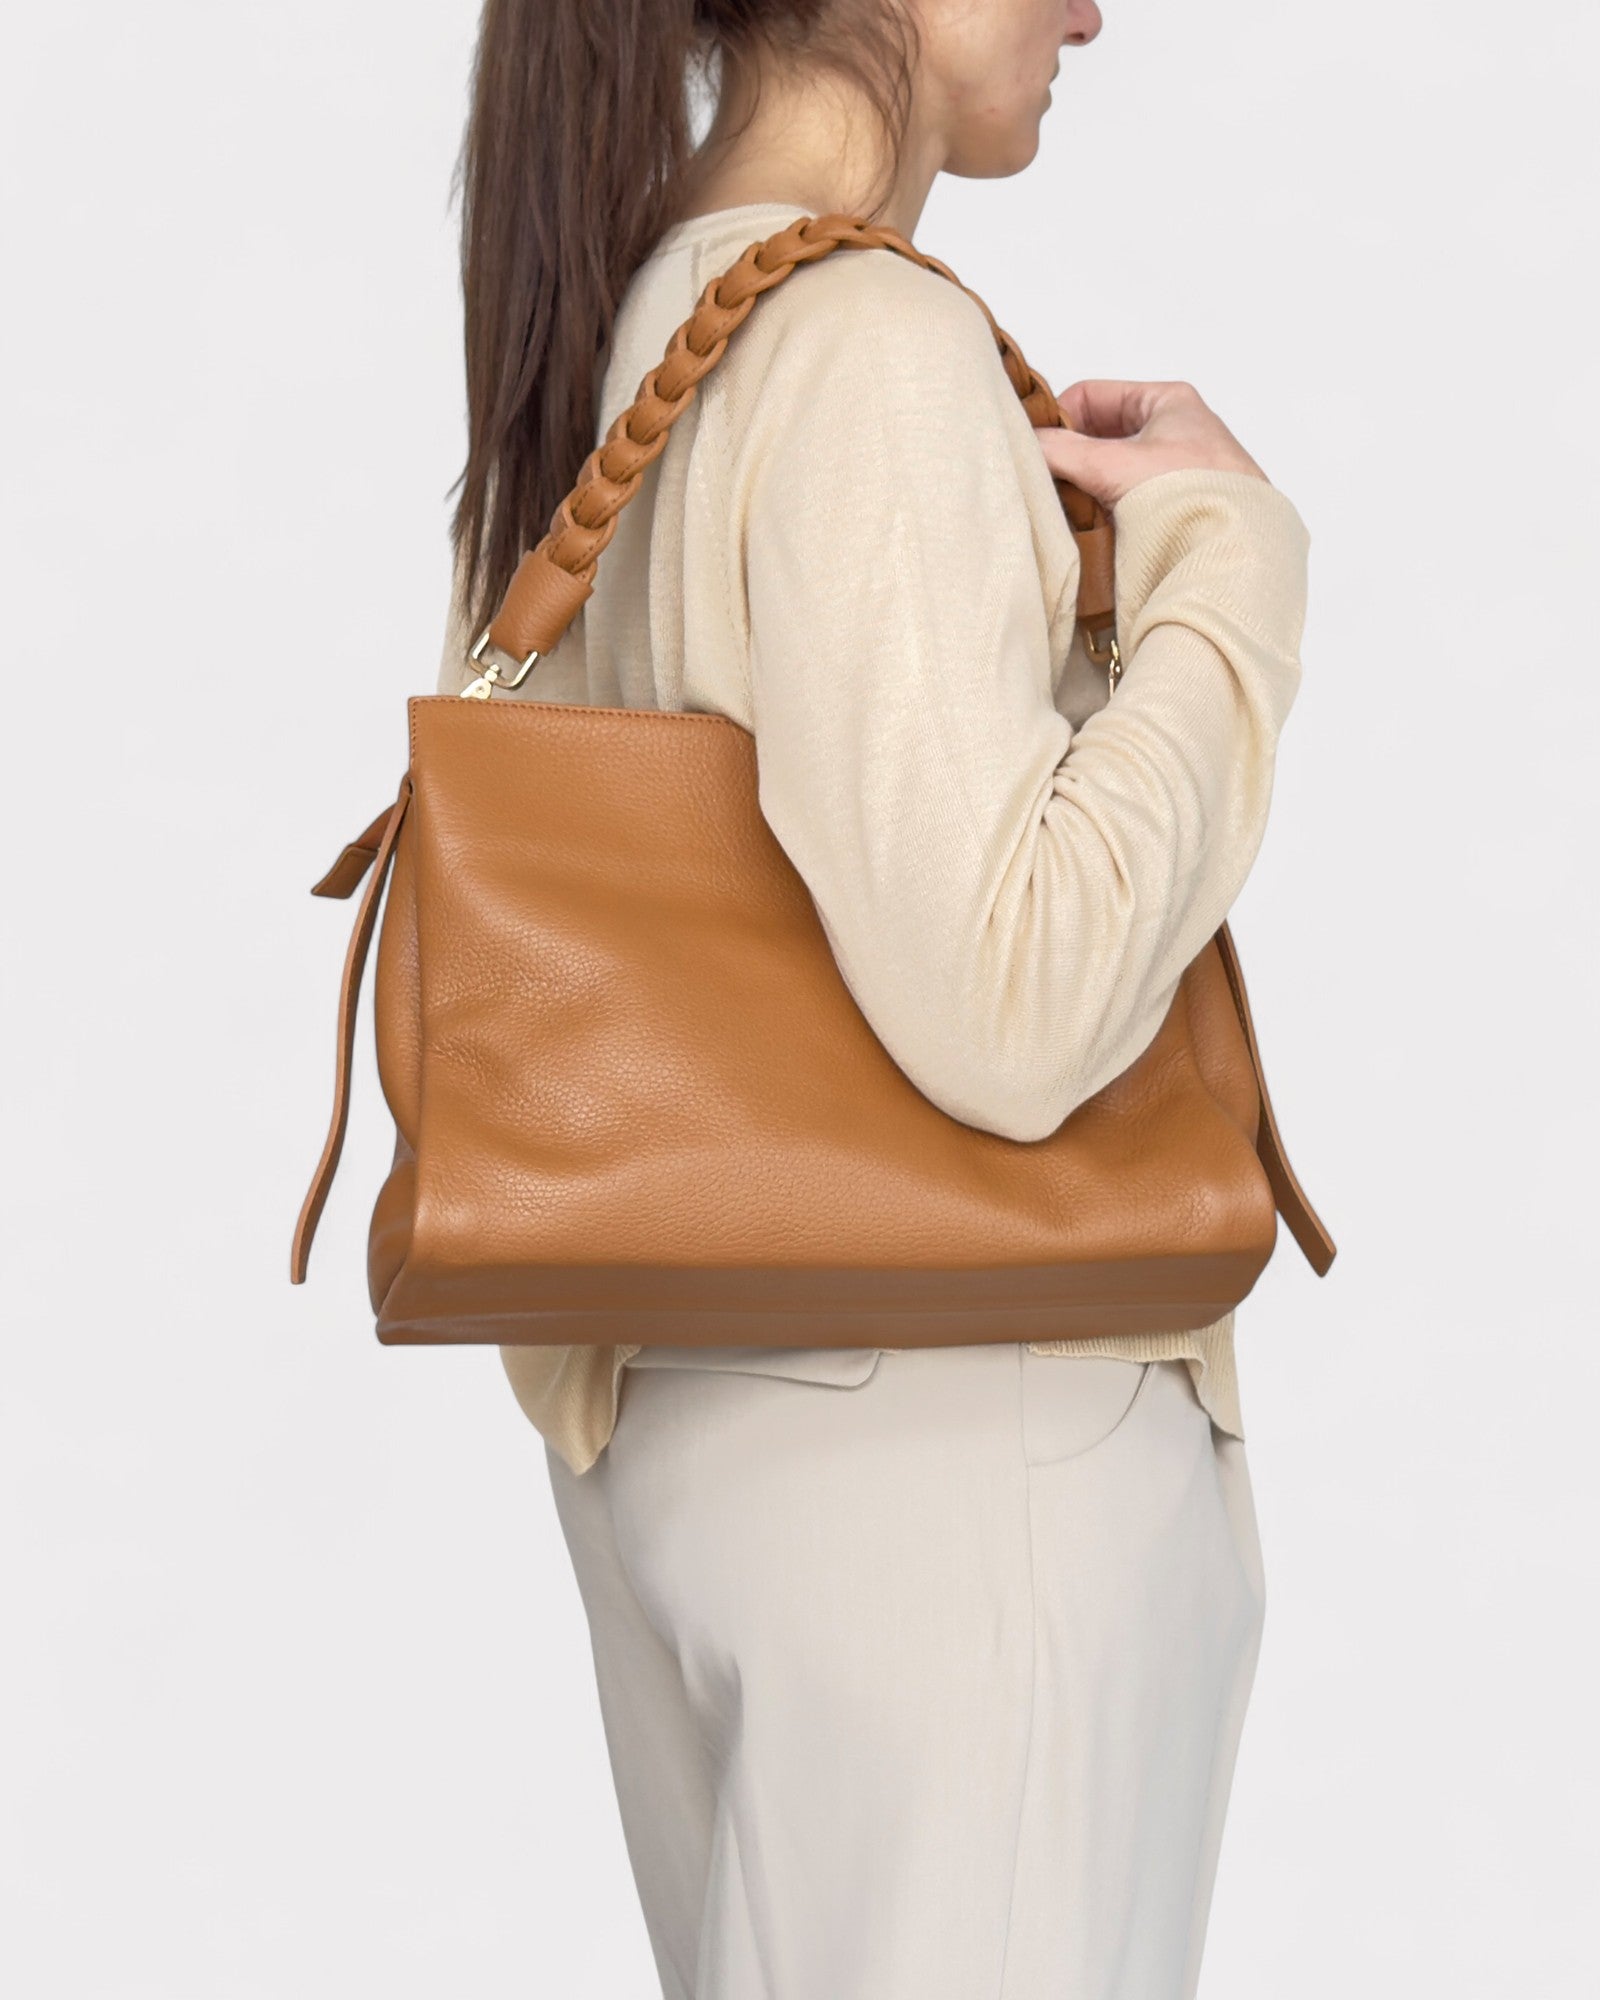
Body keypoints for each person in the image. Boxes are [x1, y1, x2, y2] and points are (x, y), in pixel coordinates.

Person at [434, 3, 1311, 1995]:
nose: (1094, 6)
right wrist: (1225, 575)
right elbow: (1010, 1005)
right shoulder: (859, 346)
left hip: (716, 1444)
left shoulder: (629, 327)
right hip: (954, 1464)